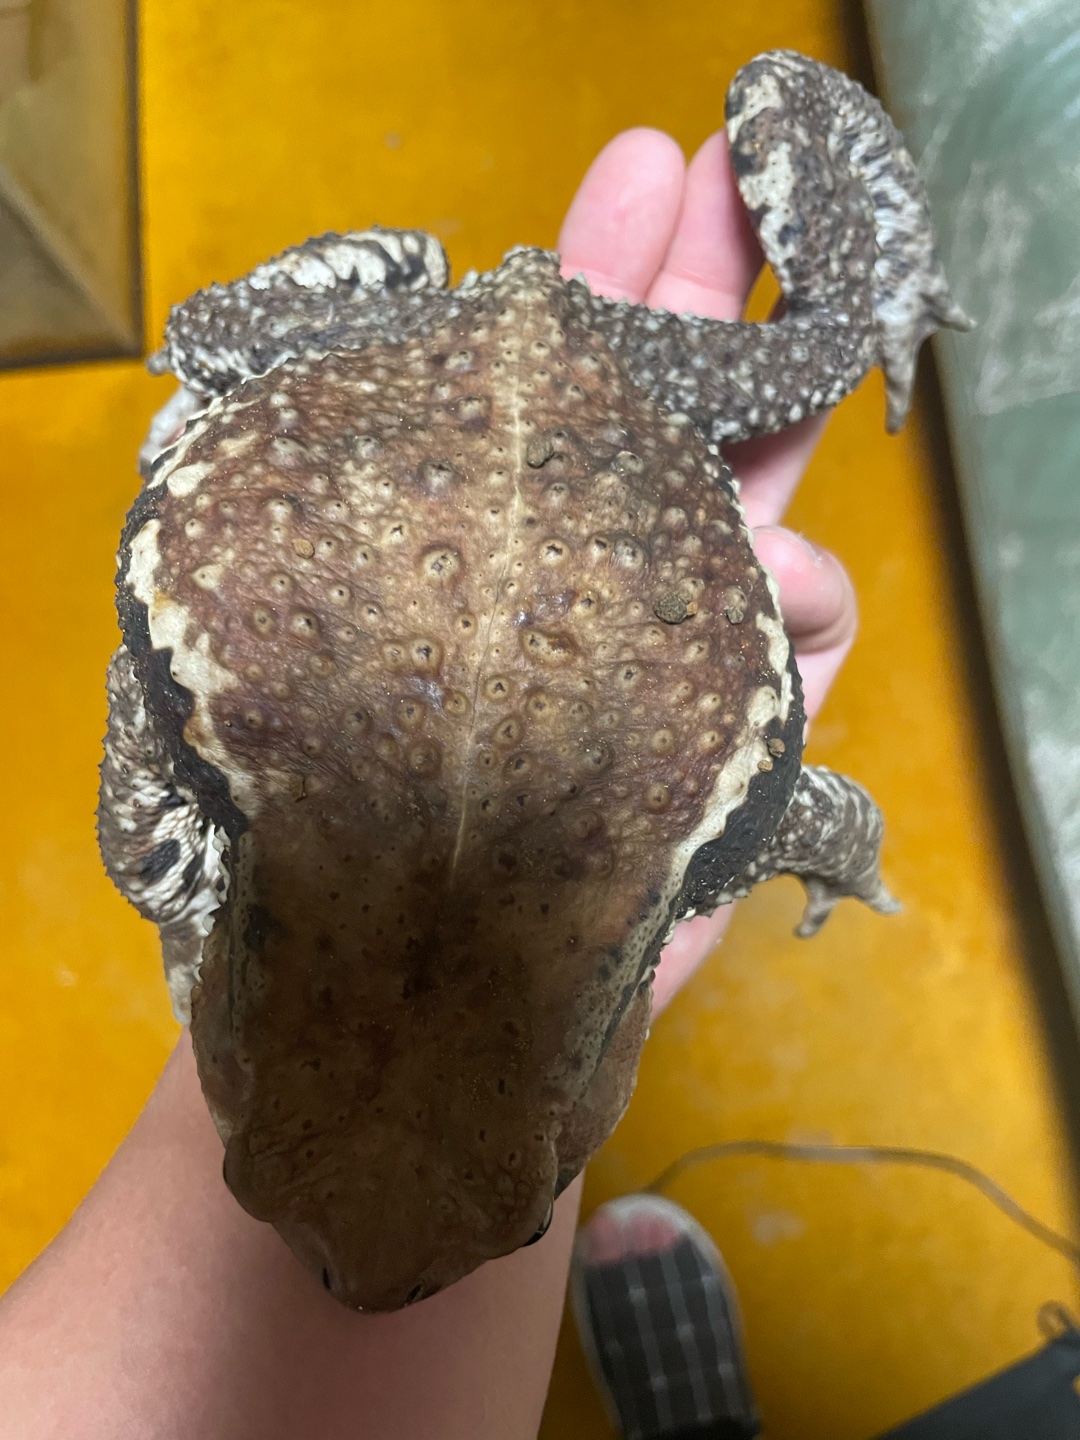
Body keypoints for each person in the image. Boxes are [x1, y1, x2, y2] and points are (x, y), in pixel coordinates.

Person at [0, 125, 858, 1439]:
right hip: (540, 405)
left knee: (202, 350)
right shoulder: (679, 853)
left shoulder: (680, 861)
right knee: (207, 342)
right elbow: (142, 693)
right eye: (516, 1207)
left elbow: (822, 814)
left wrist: (846, 854)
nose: (367, 1292)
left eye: (259, 1162)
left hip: (527, 394)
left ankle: (433, 266)